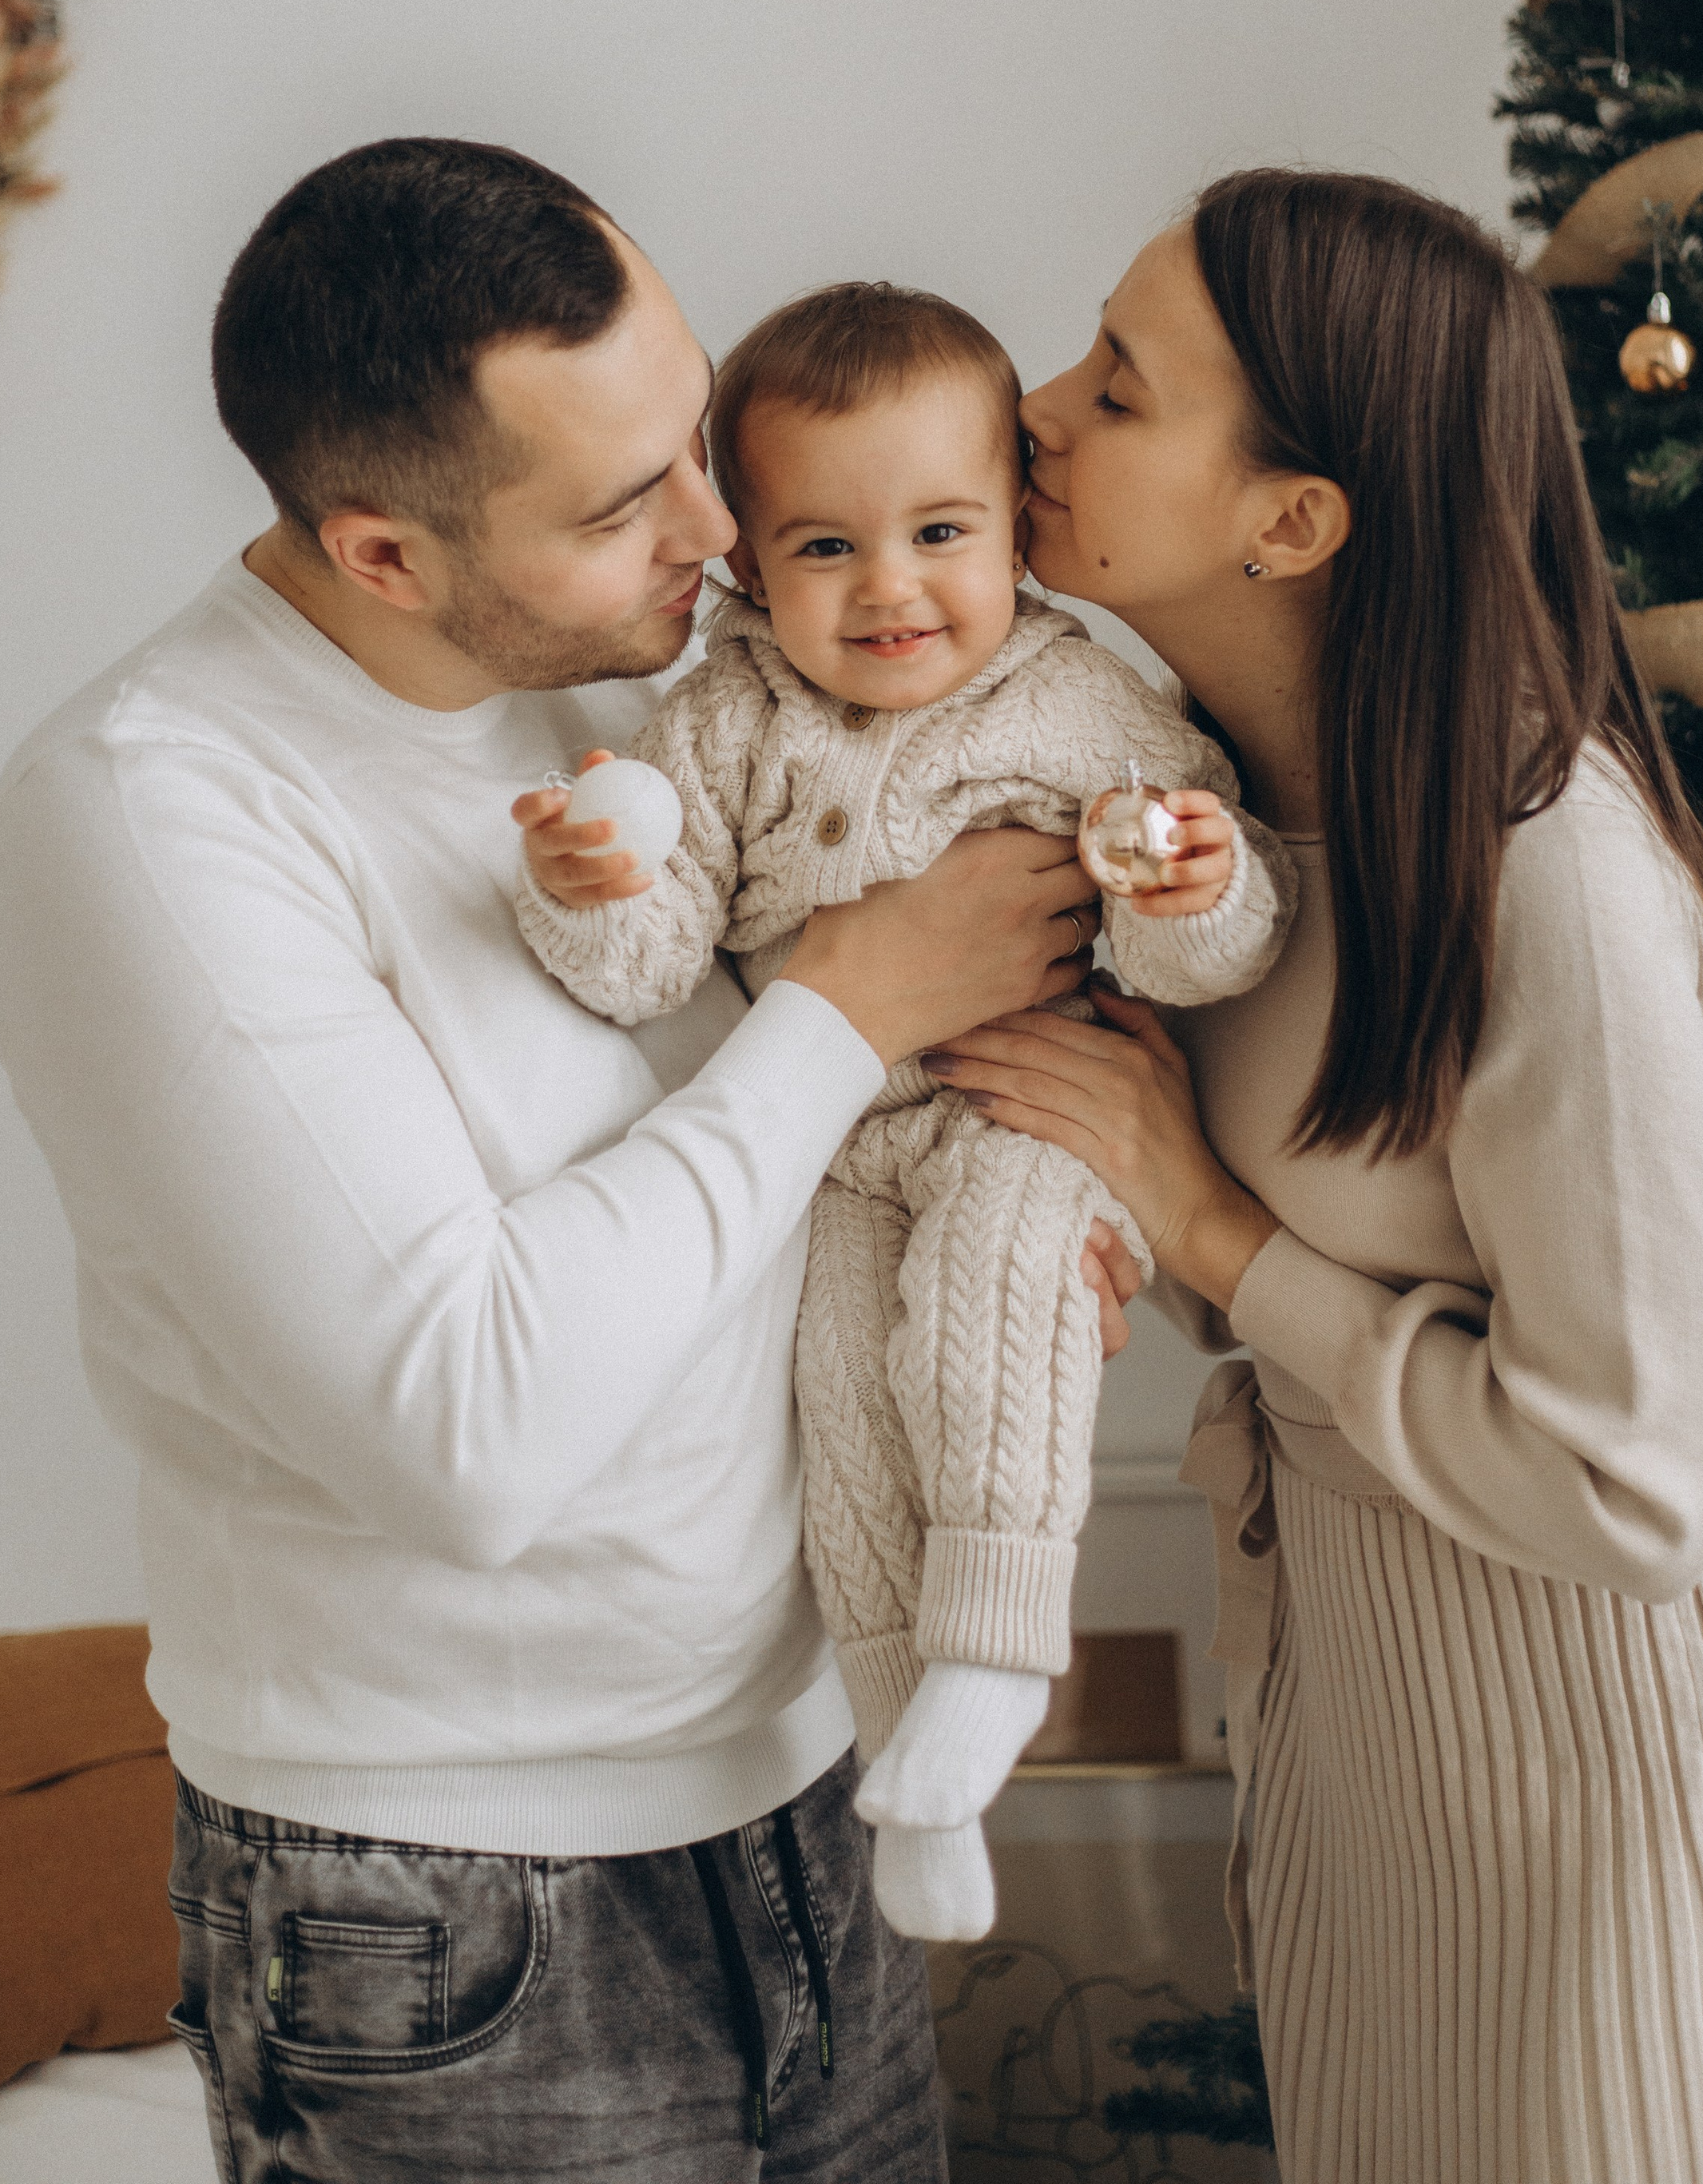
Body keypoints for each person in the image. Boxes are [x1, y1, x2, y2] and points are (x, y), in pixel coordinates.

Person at [0, 136, 1140, 2184]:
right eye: (625, 506)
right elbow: (466, 1430)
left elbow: (761, 1197)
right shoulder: (150, 818)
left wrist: (1020, 1196)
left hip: (804, 1805)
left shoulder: (646, 689)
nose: (721, 525)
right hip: (450, 1912)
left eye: (694, 439)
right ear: (383, 556)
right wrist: (853, 1006)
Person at [922, 166, 1703, 2184]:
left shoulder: (1544, 865)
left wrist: (1201, 1222)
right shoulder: (1185, 811)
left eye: (1120, 386)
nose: (1034, 406)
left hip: (1640, 1740)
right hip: (1379, 1708)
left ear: (1290, 521)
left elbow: (1632, 1481)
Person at [511, 278, 1294, 1944]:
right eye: (823, 548)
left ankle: (999, 1661)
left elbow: (1210, 957)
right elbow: (650, 967)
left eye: (940, 530)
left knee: (976, 1314)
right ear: (742, 562)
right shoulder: (717, 724)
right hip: (832, 1150)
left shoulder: (1080, 701)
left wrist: (1185, 883)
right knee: (846, 1410)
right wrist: (594, 881)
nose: (889, 591)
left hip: (1033, 1109)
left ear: (1016, 525)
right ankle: (905, 1761)